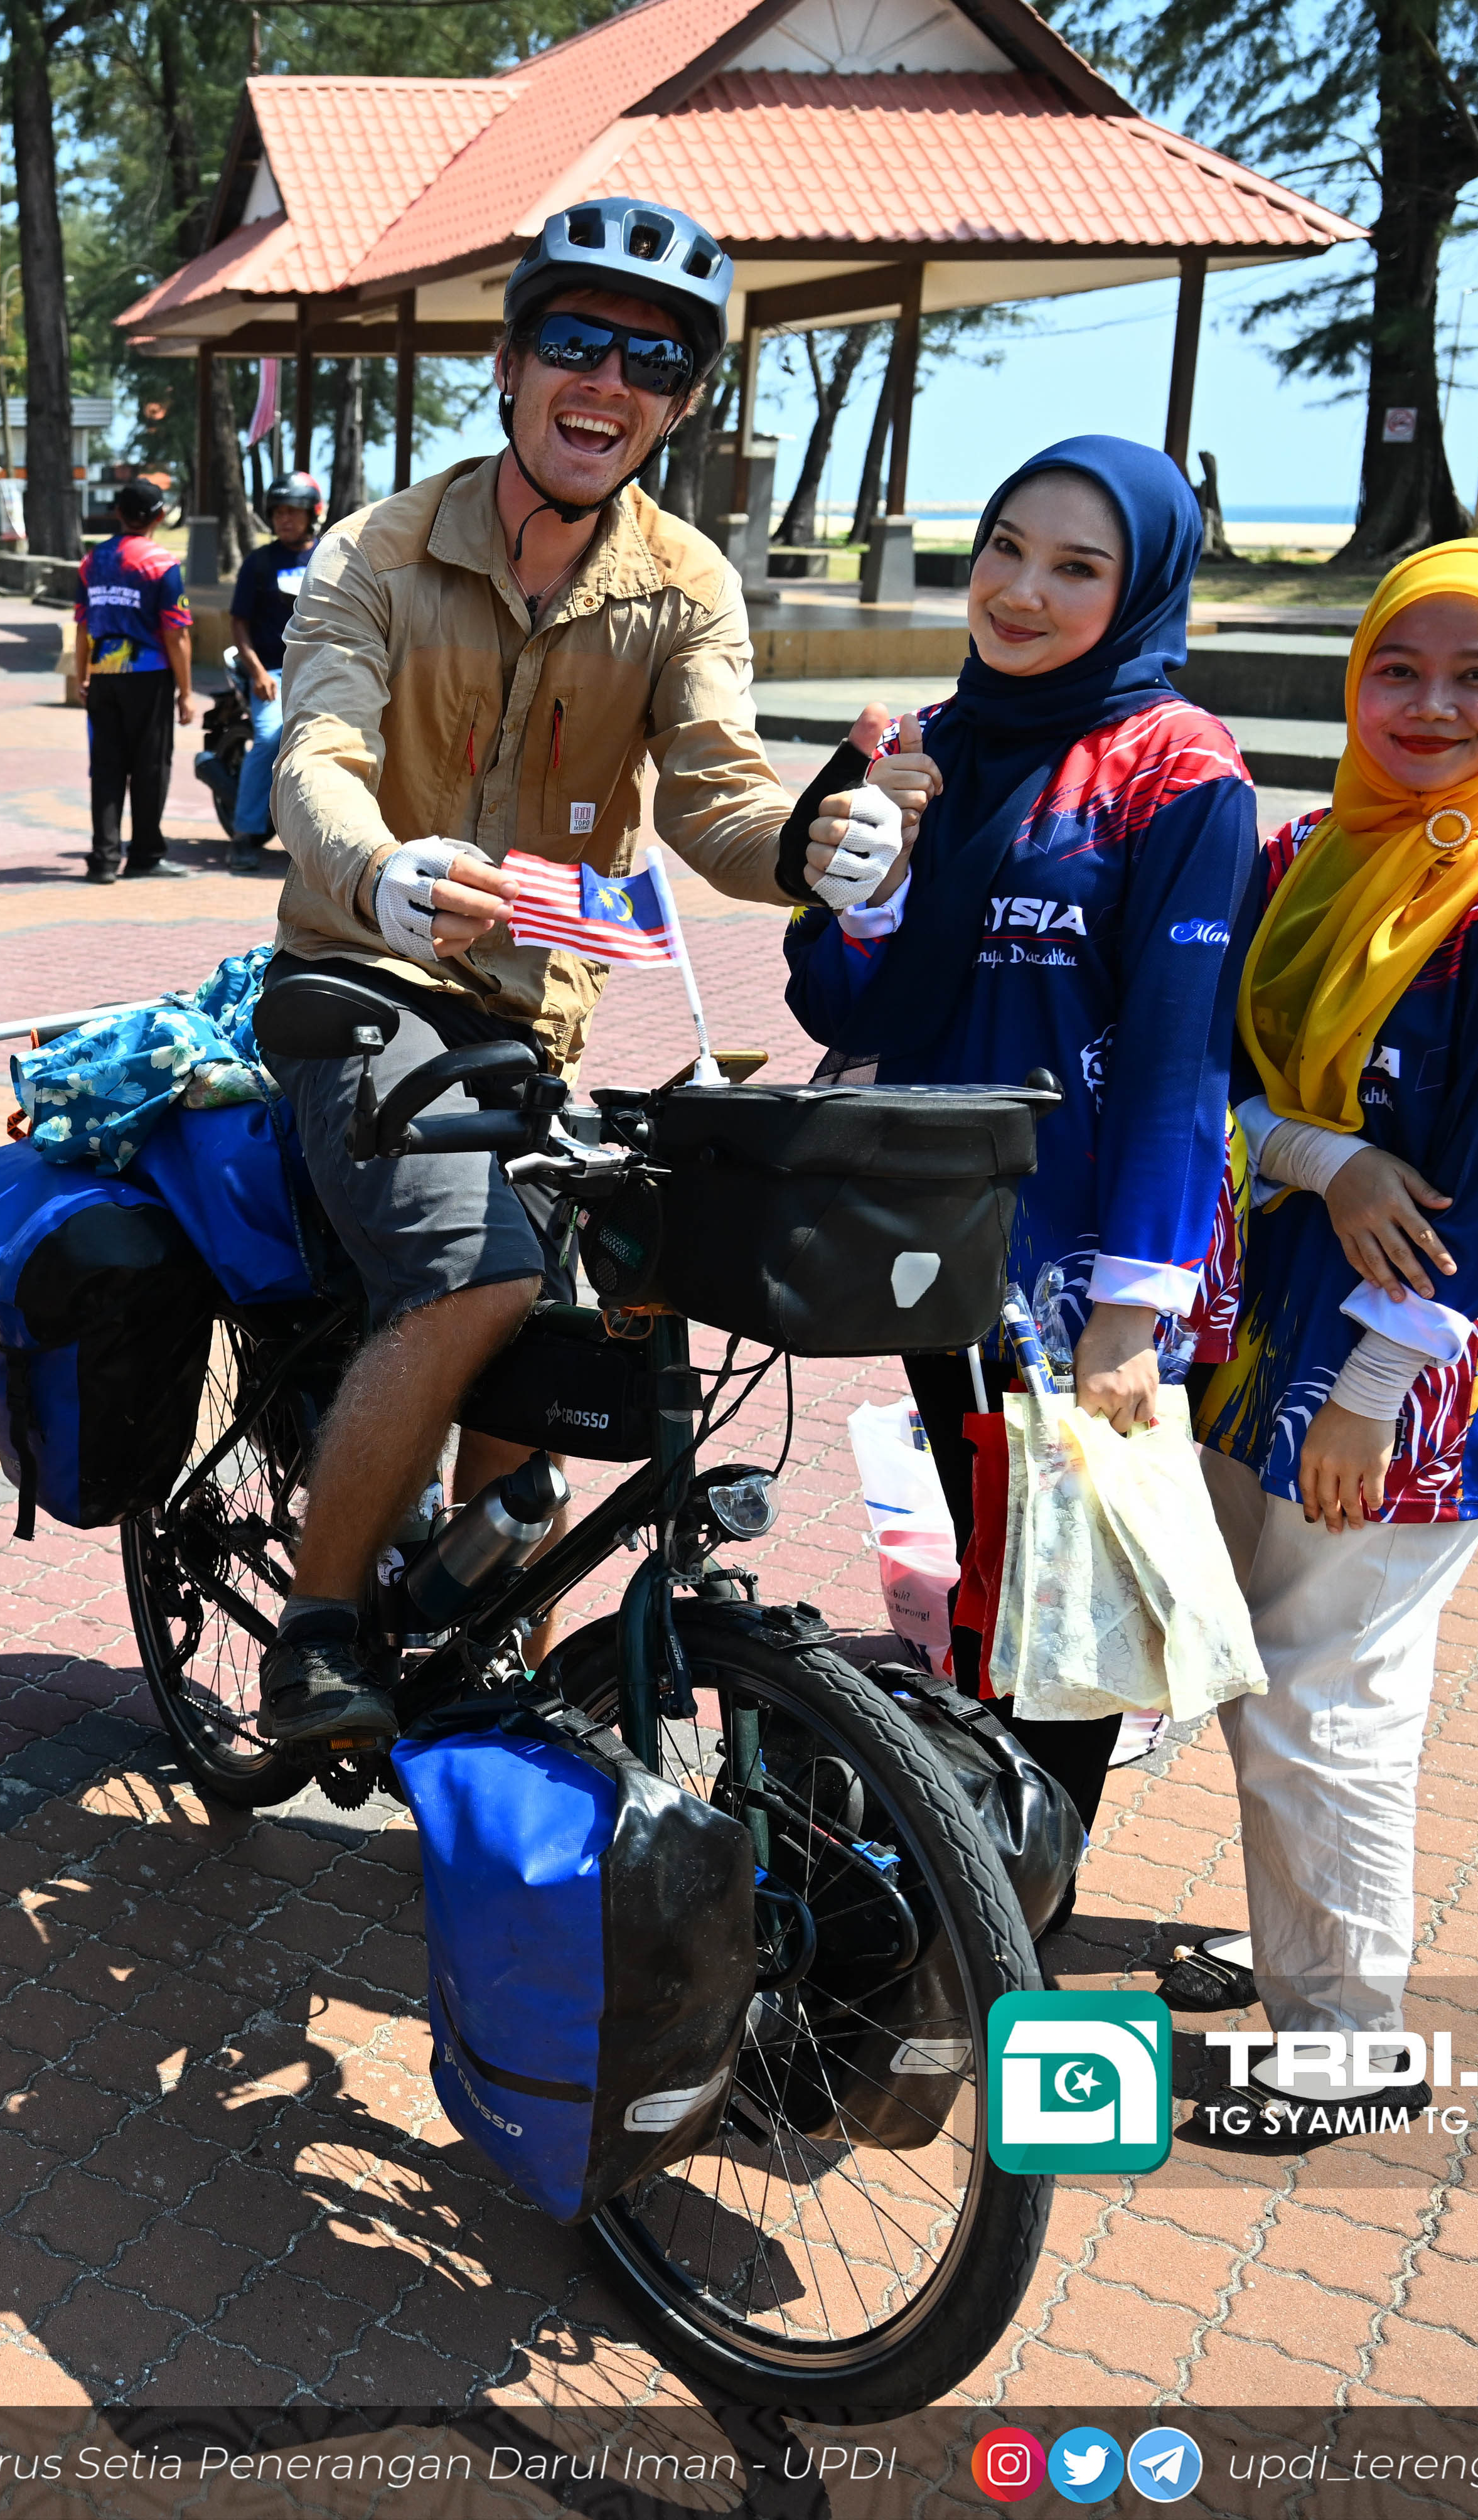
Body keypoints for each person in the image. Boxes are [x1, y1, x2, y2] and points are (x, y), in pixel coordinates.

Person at [251, 197, 899, 1748]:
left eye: (654, 360)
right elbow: (315, 753)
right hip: (361, 985)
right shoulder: (381, 549)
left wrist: (818, 845)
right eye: (577, 341)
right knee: (470, 1264)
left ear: (680, 402)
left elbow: (721, 802)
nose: (607, 381)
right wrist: (378, 870)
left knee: (569, 1341)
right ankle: (320, 1627)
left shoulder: (684, 583)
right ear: (513, 356)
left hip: (533, 1019)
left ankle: (493, 1676)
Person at [1175, 542, 1478, 2147]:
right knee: (1289, 1684)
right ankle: (1313, 1950)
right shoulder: (1310, 851)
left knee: (1325, 1694)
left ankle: (1346, 2038)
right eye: (1397, 668)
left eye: (1476, 674)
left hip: (1406, 1377)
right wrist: (1324, 1159)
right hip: (1264, 1330)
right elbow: (1209, 1081)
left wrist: (1367, 1391)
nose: (1431, 705)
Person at [782, 435, 1256, 1831]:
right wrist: (858, 890)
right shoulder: (922, 744)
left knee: (1069, 1607)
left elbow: (1182, 1057)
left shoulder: (1177, 771)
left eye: (1074, 567)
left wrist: (1131, 1307)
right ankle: (976, 1859)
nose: (1021, 591)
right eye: (1003, 547)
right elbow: (836, 1000)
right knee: (994, 1562)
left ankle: (1019, 1899)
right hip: (934, 1224)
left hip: (1078, 1265)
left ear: (1142, 589)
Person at [63, 477, 196, 881]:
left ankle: (103, 859)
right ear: (159, 516)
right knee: (150, 767)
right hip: (149, 678)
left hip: (103, 676)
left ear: (118, 513)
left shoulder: (93, 561)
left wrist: (82, 675)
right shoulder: (162, 564)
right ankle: (144, 856)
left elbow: (82, 625)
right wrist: (186, 692)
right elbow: (177, 634)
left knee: (105, 768)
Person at [223, 473, 323, 866]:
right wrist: (259, 672)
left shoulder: (330, 556)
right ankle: (244, 835)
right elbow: (238, 624)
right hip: (273, 675)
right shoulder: (259, 563)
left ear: (311, 514)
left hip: (323, 671)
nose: (285, 519)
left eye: (293, 512)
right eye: (279, 512)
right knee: (269, 739)